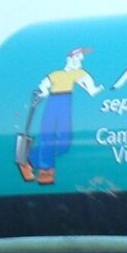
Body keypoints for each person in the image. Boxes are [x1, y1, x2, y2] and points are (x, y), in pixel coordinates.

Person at [21, 47, 103, 185]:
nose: (80, 60)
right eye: (77, 57)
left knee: (64, 142)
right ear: (70, 58)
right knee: (48, 138)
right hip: (53, 102)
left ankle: (28, 160)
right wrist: (42, 92)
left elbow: (90, 87)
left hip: (65, 103)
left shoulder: (79, 74)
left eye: (81, 58)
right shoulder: (56, 74)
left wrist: (97, 89)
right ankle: (45, 172)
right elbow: (43, 85)